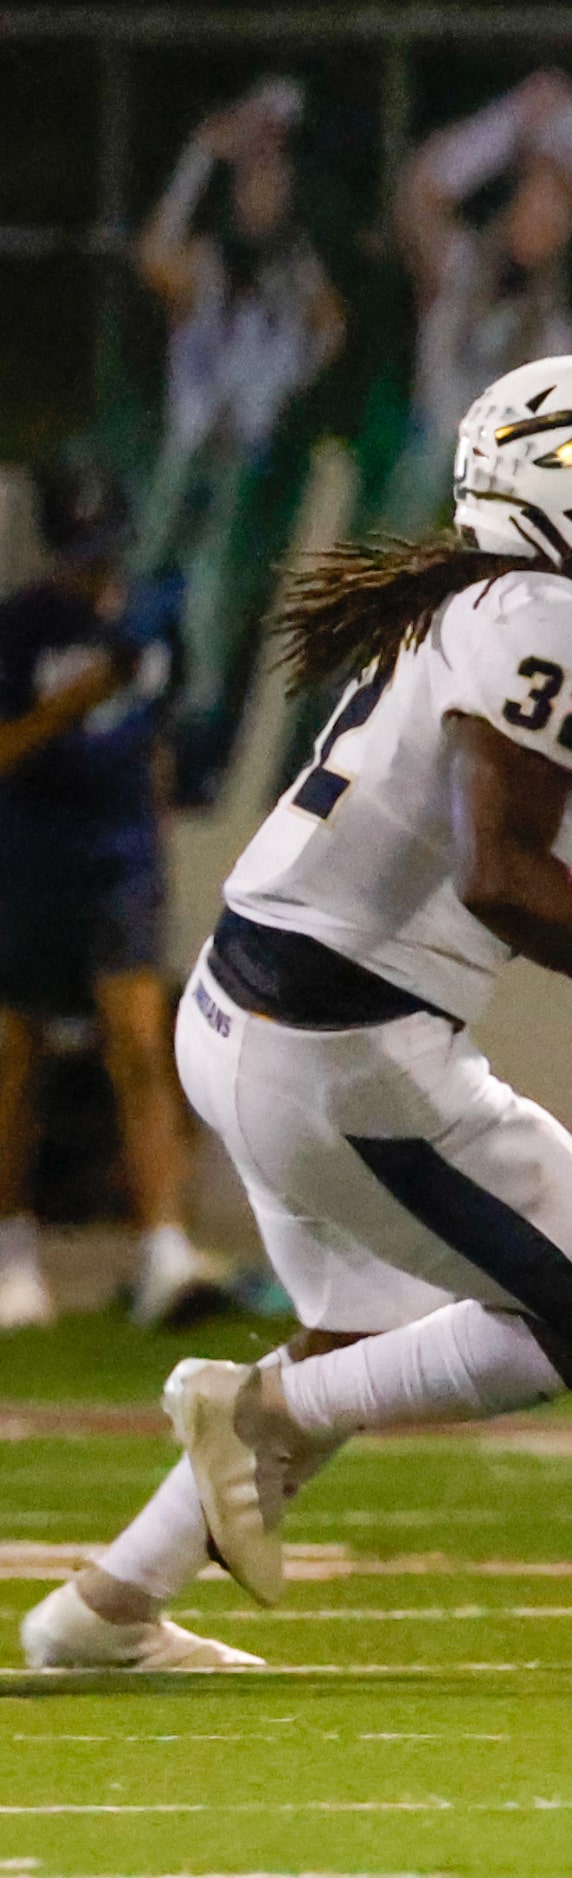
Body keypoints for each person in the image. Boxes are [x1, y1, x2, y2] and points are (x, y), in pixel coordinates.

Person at [18, 354, 572, 1672]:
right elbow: (505, 876)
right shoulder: (561, 626)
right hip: (341, 1041)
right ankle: (256, 1405)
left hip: (246, 1008)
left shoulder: (488, 604)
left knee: (364, 1330)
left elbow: (568, 847)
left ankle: (104, 1608)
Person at [0, 463, 214, 1331]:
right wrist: (75, 700)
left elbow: (157, 743)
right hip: (28, 855)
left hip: (121, 856)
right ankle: (12, 1251)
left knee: (137, 1041)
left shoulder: (157, 618)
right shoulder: (21, 629)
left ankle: (163, 1248)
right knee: (18, 1054)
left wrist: (155, 844)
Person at [129, 77, 345, 788]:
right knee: (149, 559)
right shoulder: (206, 264)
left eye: (273, 182)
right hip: (189, 446)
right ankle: (128, 690)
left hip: (244, 456)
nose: (263, 195)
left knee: (215, 585)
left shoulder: (293, 270)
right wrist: (199, 155)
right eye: (251, 182)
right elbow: (151, 250)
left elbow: (329, 331)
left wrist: (282, 389)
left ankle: (201, 720)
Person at [379, 73, 572, 532]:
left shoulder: (558, 331)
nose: (544, 217)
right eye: (537, 194)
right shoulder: (458, 263)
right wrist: (506, 122)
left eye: (560, 207)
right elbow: (419, 191)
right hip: (416, 463)